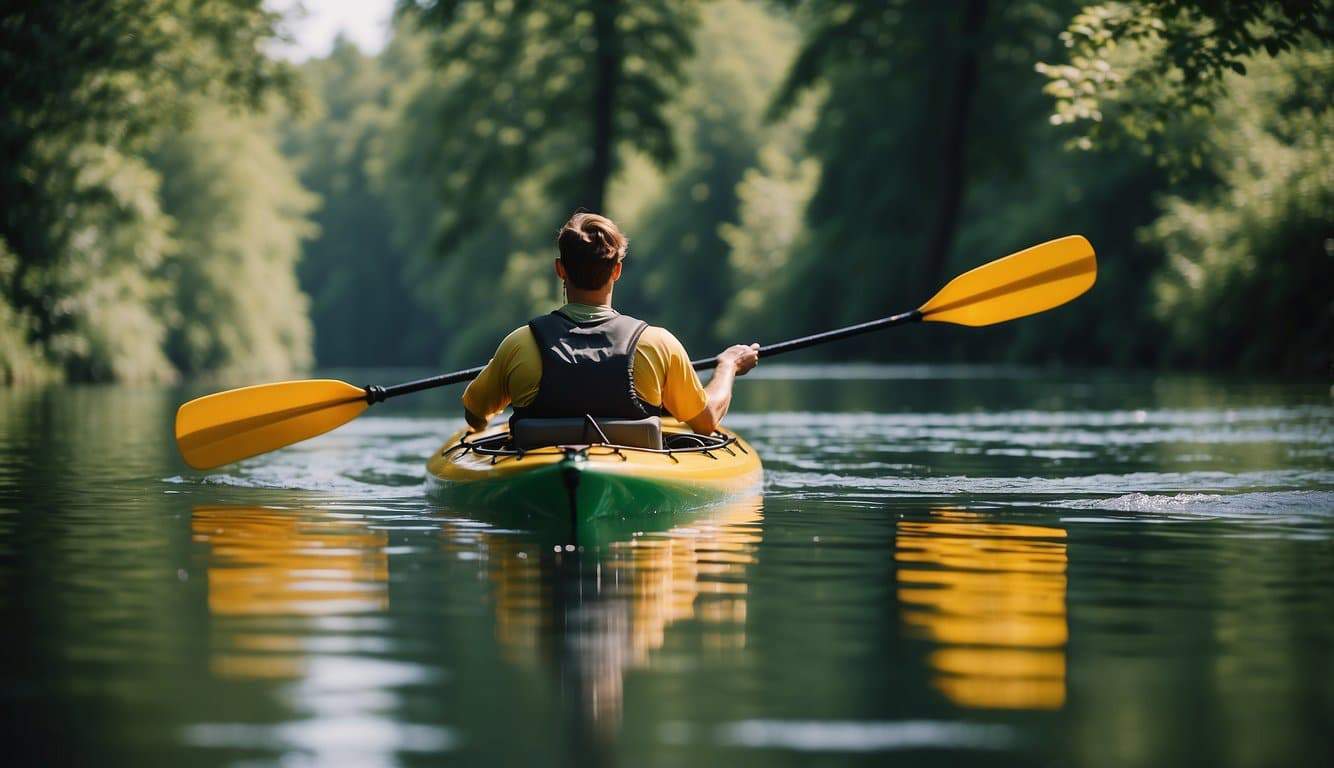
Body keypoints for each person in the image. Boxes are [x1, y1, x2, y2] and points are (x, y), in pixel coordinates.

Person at [462, 211, 759, 434]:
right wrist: (728, 366)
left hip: (541, 474)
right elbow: (706, 421)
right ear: (616, 270)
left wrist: (502, 370)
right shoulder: (657, 343)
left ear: (559, 269)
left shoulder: (519, 344)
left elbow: (475, 417)